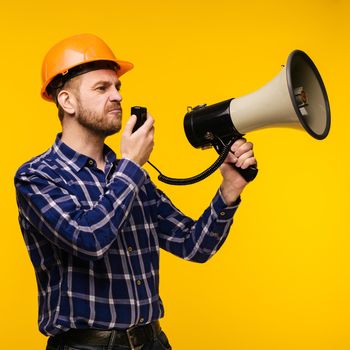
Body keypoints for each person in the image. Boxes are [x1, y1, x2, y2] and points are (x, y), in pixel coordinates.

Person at [14, 34, 257, 350]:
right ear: (66, 101)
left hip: (152, 341)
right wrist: (131, 165)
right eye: (102, 88)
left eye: (118, 88)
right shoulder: (37, 176)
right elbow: (89, 239)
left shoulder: (131, 176)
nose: (116, 96)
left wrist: (229, 191)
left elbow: (193, 245)